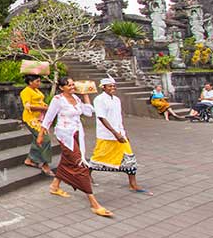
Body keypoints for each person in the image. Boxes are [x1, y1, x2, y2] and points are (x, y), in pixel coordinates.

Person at [38, 77, 113, 218]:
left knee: (67, 160)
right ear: (61, 87)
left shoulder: (77, 99)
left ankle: (54, 186)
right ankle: (94, 203)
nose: (72, 87)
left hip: (77, 133)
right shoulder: (58, 100)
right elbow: (48, 117)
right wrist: (41, 134)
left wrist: (85, 94)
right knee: (80, 165)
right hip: (64, 135)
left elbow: (89, 113)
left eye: (73, 85)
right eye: (69, 85)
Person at [89, 77, 153, 196]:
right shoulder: (99, 99)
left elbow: (119, 118)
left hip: (119, 134)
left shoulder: (117, 100)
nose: (113, 88)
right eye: (110, 86)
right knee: (98, 157)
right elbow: (101, 117)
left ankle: (133, 184)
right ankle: (87, 173)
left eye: (114, 86)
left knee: (130, 158)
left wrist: (123, 132)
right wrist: (115, 133)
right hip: (106, 135)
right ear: (103, 87)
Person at [20, 75, 53, 176]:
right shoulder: (25, 92)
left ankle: (30, 159)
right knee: (45, 138)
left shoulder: (37, 91)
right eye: (37, 81)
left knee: (37, 139)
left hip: (39, 118)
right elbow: (28, 106)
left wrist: (45, 106)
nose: (39, 83)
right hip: (31, 119)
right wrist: (42, 108)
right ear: (30, 82)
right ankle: (45, 163)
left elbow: (40, 102)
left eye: (39, 81)